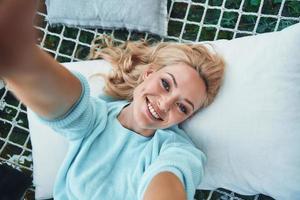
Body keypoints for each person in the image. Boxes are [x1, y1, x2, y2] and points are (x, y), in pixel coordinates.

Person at [0, 1, 225, 200]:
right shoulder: (98, 117)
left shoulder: (178, 151)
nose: (165, 104)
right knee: (74, 100)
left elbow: (170, 175)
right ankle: (16, 55)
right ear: (148, 74)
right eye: (166, 84)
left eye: (182, 107)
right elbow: (73, 110)